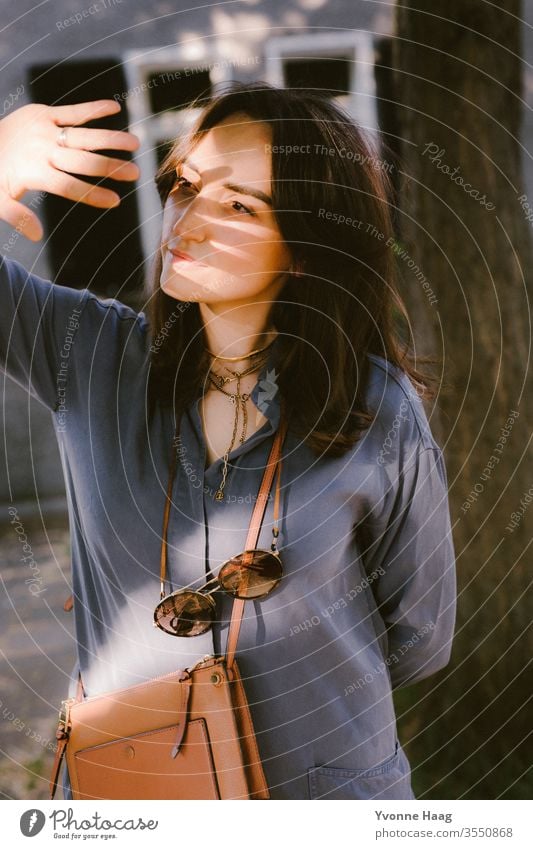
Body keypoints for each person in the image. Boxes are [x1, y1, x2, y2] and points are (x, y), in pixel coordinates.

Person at [0, 82, 456, 800]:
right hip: (129, 795)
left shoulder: (376, 407)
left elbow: (421, 631)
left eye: (239, 205)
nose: (188, 217)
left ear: (306, 246)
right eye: (185, 185)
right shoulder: (87, 354)